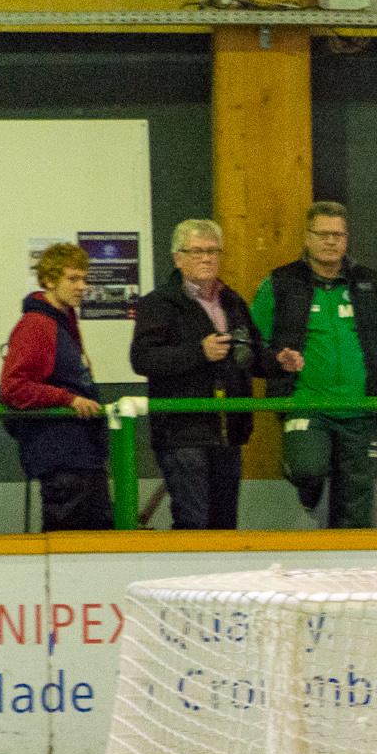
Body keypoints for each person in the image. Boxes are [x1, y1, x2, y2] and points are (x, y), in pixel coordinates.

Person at [250, 201, 377, 529]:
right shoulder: (280, 284)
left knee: (357, 508)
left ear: (347, 238)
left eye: (338, 235)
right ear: (307, 237)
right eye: (323, 234)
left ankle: (351, 572)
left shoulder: (368, 284)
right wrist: (277, 361)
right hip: (306, 405)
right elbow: (257, 342)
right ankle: (309, 494)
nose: (331, 241)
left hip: (360, 408)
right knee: (307, 469)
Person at [130, 218, 264, 531]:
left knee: (225, 524)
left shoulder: (232, 301)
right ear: (178, 258)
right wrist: (198, 353)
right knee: (194, 522)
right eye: (197, 252)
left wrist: (277, 360)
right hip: (182, 430)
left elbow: (251, 352)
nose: (206, 258)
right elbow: (142, 359)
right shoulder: (158, 304)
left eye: (213, 251)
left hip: (228, 429)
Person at [0, 242, 111, 532]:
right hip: (61, 456)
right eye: (73, 279)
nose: (82, 286)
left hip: (79, 453)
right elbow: (14, 387)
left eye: (84, 279)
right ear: (49, 280)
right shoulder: (37, 325)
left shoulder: (62, 322)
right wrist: (67, 399)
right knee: (73, 540)